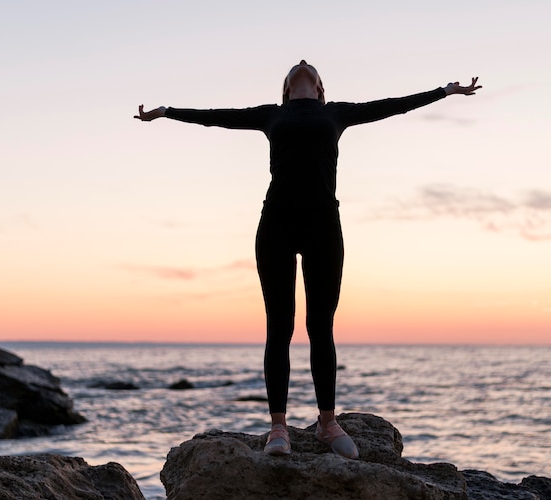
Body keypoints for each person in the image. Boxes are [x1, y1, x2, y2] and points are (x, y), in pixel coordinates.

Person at [135, 60, 481, 459]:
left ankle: (327, 423)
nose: (302, 65)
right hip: (276, 224)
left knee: (321, 325)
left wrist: (444, 91)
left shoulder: (336, 112)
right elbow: (216, 118)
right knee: (279, 326)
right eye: (295, 70)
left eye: (311, 71)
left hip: (323, 225)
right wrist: (166, 112)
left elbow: (393, 105)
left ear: (320, 90)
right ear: (286, 90)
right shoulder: (271, 115)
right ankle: (278, 429)